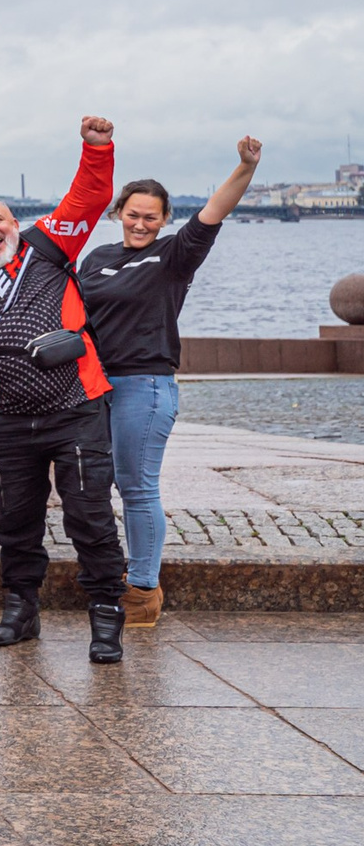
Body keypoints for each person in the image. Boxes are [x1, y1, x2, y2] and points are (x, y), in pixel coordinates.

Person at [0, 118, 128, 663]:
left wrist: (96, 148)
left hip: (75, 410)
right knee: (15, 523)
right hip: (9, 424)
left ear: (16, 223)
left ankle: (106, 617)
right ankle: (20, 611)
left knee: (89, 517)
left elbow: (89, 197)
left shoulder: (50, 247)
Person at [79, 135, 263, 629]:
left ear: (163, 219)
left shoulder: (174, 255)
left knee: (137, 487)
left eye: (151, 216)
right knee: (104, 484)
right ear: (119, 213)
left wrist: (244, 167)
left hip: (145, 385)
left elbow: (215, 209)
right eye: (133, 214)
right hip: (97, 387)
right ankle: (117, 574)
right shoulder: (95, 258)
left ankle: (142, 591)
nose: (141, 223)